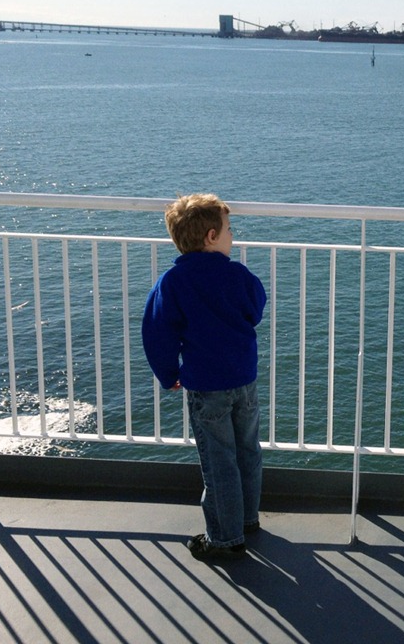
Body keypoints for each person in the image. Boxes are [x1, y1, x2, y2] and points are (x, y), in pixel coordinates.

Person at [141, 193, 267, 562]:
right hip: (244, 379)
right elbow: (256, 307)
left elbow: (157, 333)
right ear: (212, 236)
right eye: (229, 229)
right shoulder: (237, 275)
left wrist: (168, 375)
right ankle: (245, 520)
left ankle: (225, 536)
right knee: (247, 451)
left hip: (205, 386)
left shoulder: (173, 282)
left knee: (219, 461)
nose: (232, 235)